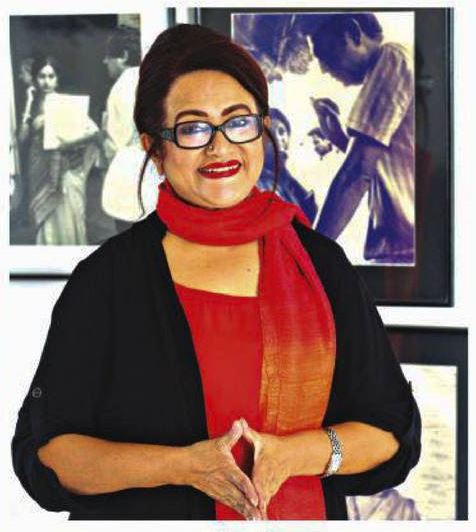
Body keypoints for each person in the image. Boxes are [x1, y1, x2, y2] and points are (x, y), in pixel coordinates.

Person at [12, 24, 421, 520]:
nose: (220, 147)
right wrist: (182, 466)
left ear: (262, 128)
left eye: (238, 121)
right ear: (154, 147)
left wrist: (294, 454)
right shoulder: (106, 280)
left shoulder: (321, 265)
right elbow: (47, 454)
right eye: (193, 128)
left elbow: (392, 434)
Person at [306, 14, 415, 264]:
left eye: (324, 52)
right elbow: (387, 167)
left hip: (403, 248)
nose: (323, 68)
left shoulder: (392, 57)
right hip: (402, 249)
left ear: (353, 33)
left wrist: (309, 257)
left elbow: (357, 173)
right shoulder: (405, 60)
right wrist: (338, 138)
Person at [18, 55, 99, 245]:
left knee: (66, 212)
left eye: (51, 76)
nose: (46, 81)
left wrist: (69, 145)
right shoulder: (32, 105)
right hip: (39, 169)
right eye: (41, 76)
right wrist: (28, 103)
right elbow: (22, 138)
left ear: (57, 79)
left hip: (64, 167)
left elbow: (94, 132)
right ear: (35, 79)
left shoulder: (65, 104)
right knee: (44, 218)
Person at [100, 25, 157, 232]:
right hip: (153, 167)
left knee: (129, 232)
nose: (105, 62)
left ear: (123, 56)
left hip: (131, 169)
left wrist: (101, 136)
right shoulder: (149, 81)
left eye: (108, 56)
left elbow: (120, 136)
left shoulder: (124, 85)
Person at [258, 107, 318, 226]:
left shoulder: (291, 185)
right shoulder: (256, 185)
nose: (277, 139)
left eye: (281, 132)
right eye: (270, 134)